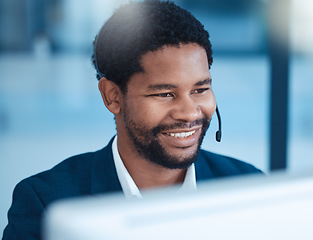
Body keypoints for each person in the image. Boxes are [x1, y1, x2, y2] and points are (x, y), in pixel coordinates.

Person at [2, 1, 262, 239]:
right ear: (113, 96)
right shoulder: (46, 204)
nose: (190, 112)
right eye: (165, 93)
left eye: (200, 90)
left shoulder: (250, 189)